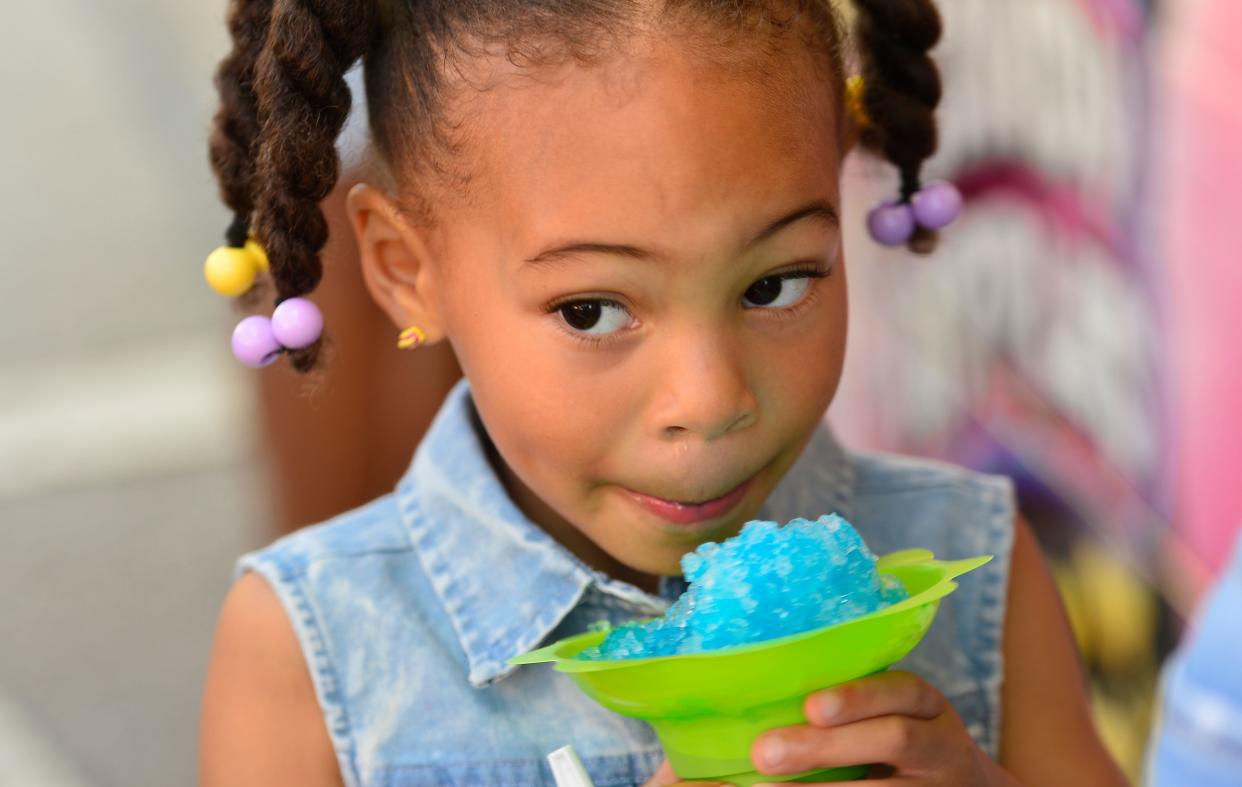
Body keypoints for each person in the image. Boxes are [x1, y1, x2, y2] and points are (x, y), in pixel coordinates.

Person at [197, 1, 1126, 785]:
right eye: (593, 310)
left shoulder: (973, 563)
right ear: (408, 270)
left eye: (775, 284)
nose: (708, 397)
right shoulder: (312, 648)